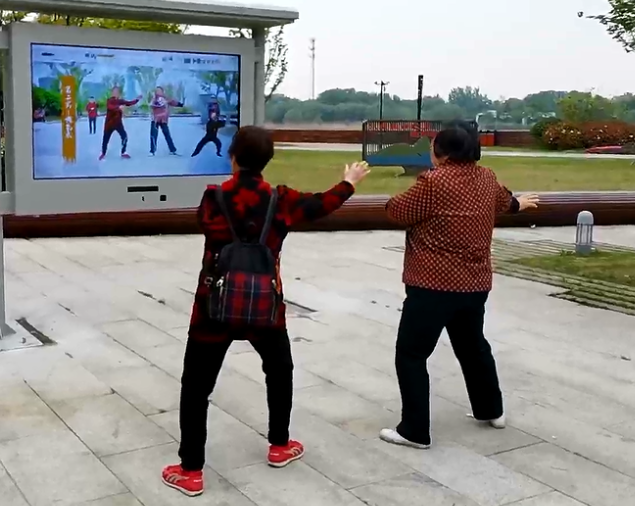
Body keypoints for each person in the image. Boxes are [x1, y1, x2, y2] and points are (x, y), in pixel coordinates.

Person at [162, 126, 370, 497]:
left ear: (232, 157)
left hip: (213, 307)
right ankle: (279, 445)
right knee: (279, 371)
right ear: (267, 160)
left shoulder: (213, 198)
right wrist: (348, 182)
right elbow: (320, 205)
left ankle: (190, 470)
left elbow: (206, 227)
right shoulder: (281, 200)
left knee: (196, 388)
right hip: (264, 308)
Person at [379, 120, 539, 450]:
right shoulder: (486, 177)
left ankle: (414, 431)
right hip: (474, 284)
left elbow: (397, 211)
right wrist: (519, 204)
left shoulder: (433, 182)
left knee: (411, 354)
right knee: (473, 347)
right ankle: (491, 410)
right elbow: (506, 202)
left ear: (441, 153)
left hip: (432, 285)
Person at [100, 87, 141, 160]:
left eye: (117, 92)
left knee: (124, 137)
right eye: (114, 92)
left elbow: (129, 103)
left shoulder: (120, 101)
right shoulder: (109, 101)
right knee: (105, 139)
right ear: (112, 93)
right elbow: (110, 107)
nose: (116, 93)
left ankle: (123, 152)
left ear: (119, 93)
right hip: (109, 124)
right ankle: (103, 153)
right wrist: (119, 107)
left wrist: (137, 99)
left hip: (118, 123)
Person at [150, 86, 183, 156]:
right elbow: (152, 105)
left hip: (163, 120)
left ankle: (172, 150)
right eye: (157, 91)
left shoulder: (166, 99)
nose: (158, 92)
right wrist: (155, 99)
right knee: (153, 135)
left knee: (167, 134)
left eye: (159, 91)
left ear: (162, 92)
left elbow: (173, 102)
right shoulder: (154, 99)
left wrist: (180, 104)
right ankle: (152, 151)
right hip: (155, 119)